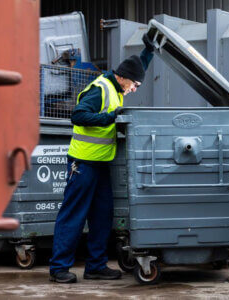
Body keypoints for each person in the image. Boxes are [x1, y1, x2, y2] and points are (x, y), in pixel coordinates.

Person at [49, 35, 155, 283]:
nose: (135, 89)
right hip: (83, 164)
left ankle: (95, 266)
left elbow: (138, 66)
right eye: (134, 84)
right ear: (122, 77)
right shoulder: (100, 89)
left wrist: (149, 51)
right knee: (73, 215)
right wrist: (109, 119)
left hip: (100, 165)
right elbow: (78, 115)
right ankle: (58, 268)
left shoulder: (118, 85)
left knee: (102, 215)